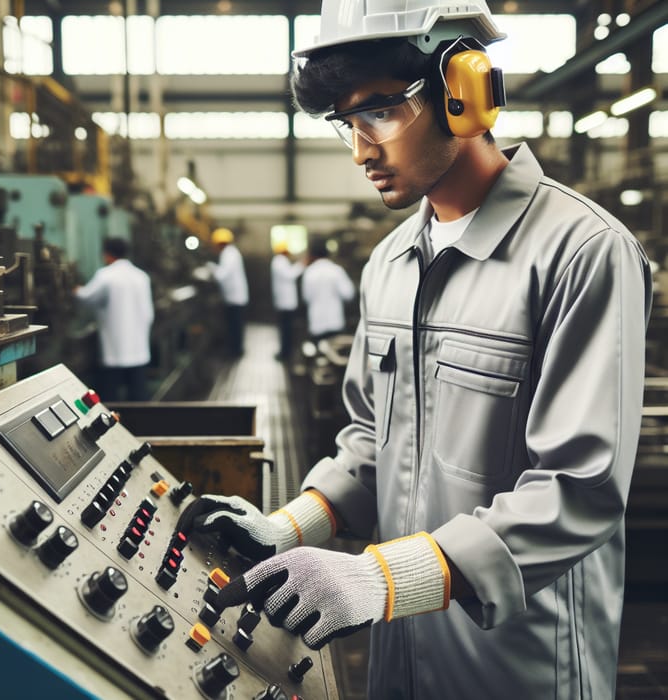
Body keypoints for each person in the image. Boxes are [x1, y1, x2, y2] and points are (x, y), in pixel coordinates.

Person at [177, 2, 652, 698]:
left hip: (518, 665)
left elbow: (578, 490)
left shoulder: (580, 254)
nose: (360, 149)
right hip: (401, 654)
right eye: (345, 123)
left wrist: (379, 576)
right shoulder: (394, 261)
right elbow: (375, 441)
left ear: (465, 92)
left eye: (378, 111)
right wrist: (289, 525)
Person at [74, 236, 154, 401]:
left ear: (107, 254)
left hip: (114, 348)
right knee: (139, 394)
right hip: (138, 346)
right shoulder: (141, 276)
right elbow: (148, 312)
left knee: (111, 396)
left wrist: (75, 290)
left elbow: (87, 297)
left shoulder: (106, 275)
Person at [301, 236, 355, 343]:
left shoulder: (309, 272)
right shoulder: (336, 270)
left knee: (319, 356)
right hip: (335, 322)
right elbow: (348, 294)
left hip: (316, 323)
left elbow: (306, 297)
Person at [208, 227, 249, 358]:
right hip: (234, 297)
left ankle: (236, 352)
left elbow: (222, 275)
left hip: (235, 298)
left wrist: (210, 269)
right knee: (235, 325)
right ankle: (236, 349)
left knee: (235, 326)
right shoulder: (231, 253)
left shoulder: (229, 254)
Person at [270, 240, 304, 361]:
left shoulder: (280, 261)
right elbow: (290, 275)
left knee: (286, 328)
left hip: (285, 302)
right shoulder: (280, 261)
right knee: (286, 329)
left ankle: (285, 351)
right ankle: (285, 353)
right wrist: (301, 265)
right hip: (285, 303)